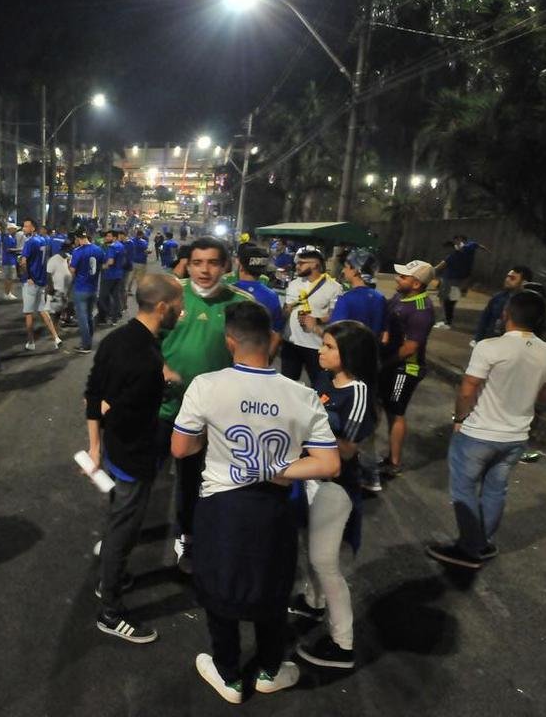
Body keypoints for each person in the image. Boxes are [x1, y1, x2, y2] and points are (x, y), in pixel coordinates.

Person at [171, 301, 340, 704]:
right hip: (272, 508)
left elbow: (181, 448)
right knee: (272, 588)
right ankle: (269, 669)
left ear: (231, 342)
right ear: (272, 341)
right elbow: (329, 463)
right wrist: (278, 468)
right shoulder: (301, 394)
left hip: (221, 505)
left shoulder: (207, 385)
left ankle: (228, 675)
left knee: (219, 587)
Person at [426, 290, 546, 569]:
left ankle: (469, 548)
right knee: (495, 490)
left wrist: (459, 417)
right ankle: (482, 542)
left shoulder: (490, 347)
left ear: (506, 314)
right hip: (516, 436)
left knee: (463, 490)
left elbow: (467, 389)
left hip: (479, 433)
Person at [87, 274, 183, 644]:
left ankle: (112, 576)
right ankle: (110, 609)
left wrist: (95, 446)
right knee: (124, 527)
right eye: (178, 305)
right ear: (162, 307)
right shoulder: (143, 357)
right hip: (134, 453)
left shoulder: (119, 339)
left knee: (117, 520)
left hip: (114, 448)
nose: (182, 312)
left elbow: (93, 393)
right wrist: (161, 385)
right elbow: (111, 404)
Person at [158, 237, 255, 571]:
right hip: (163, 406)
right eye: (197, 262)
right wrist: (160, 369)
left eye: (213, 263)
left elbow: (258, 350)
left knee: (194, 479)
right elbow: (145, 338)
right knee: (140, 475)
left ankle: (188, 537)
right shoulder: (170, 293)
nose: (204, 270)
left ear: (225, 266)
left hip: (208, 416)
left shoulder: (241, 303)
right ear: (188, 263)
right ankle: (121, 533)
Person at [292, 320, 379, 670]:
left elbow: (344, 451)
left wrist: (305, 431)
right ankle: (313, 602)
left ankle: (343, 644)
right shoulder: (326, 380)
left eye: (328, 347)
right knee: (306, 547)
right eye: (323, 345)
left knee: (325, 562)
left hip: (335, 486)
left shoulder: (358, 393)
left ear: (349, 354)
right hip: (311, 477)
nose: (320, 352)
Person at [370, 259, 437, 480]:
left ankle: (394, 462)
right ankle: (379, 455)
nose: (398, 279)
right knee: (381, 405)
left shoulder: (422, 310)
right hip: (389, 364)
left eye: (404, 277)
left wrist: (383, 363)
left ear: (416, 284)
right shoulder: (401, 297)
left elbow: (410, 348)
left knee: (395, 412)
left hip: (405, 369)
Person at [281, 246, 340, 384]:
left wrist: (317, 320)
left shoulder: (334, 287)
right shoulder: (294, 284)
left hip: (315, 346)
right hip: (291, 342)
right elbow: (285, 312)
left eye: (301, 263)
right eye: (297, 263)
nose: (297, 266)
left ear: (315, 264)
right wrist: (286, 310)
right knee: (287, 384)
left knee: (319, 385)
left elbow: (334, 316)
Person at [19, 219, 63, 351]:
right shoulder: (45, 240)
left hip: (31, 282)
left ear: (33, 228)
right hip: (41, 280)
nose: (24, 228)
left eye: (26, 226)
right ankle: (56, 337)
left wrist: (28, 276)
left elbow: (23, 262)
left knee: (28, 313)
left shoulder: (29, 242)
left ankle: (31, 342)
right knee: (42, 310)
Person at [232, 244, 283, 358]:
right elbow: (276, 332)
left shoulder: (229, 292)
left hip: (228, 356)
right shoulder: (272, 295)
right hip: (257, 358)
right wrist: (268, 359)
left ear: (241, 265)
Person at [330, 249, 387, 338]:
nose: (343, 271)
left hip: (348, 350)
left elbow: (334, 334)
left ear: (355, 271)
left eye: (346, 267)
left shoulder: (346, 299)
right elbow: (384, 336)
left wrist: (314, 327)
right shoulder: (380, 298)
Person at [433, 235, 487, 329]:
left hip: (450, 280)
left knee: (446, 300)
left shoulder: (454, 255)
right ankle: (447, 321)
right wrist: (486, 250)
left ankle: (444, 321)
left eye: (457, 241)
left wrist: (427, 272)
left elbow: (439, 267)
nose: (456, 243)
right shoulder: (469, 248)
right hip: (460, 280)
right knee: (451, 301)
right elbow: (479, 246)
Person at [473, 266, 533, 343]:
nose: (507, 280)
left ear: (524, 283)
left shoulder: (529, 303)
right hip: (491, 340)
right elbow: (485, 319)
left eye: (512, 278)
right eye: (507, 277)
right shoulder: (498, 298)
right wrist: (478, 338)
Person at [70, 232, 106, 353]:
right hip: (93, 288)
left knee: (82, 318)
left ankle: (85, 345)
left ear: (78, 238)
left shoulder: (78, 251)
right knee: (89, 316)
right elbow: (103, 265)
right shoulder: (98, 250)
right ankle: (88, 340)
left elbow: (72, 270)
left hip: (81, 288)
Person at [97, 230, 127, 325]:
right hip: (118, 275)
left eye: (109, 236)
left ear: (114, 237)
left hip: (109, 275)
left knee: (102, 297)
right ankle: (115, 317)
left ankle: (105, 316)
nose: (106, 238)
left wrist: (100, 267)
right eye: (106, 236)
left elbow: (110, 262)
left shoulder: (112, 247)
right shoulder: (121, 246)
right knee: (115, 296)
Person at [127, 229, 149, 295]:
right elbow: (145, 251)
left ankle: (128, 290)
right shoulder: (144, 242)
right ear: (142, 235)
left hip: (132, 261)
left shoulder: (131, 241)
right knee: (140, 278)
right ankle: (139, 292)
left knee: (131, 276)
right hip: (141, 262)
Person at [1, 223, 20, 299]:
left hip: (11, 260)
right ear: (10, 229)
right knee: (9, 278)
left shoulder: (11, 237)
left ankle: (8, 293)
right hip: (8, 260)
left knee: (10, 278)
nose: (15, 230)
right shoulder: (7, 238)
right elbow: (8, 249)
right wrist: (19, 249)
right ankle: (7, 293)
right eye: (14, 229)